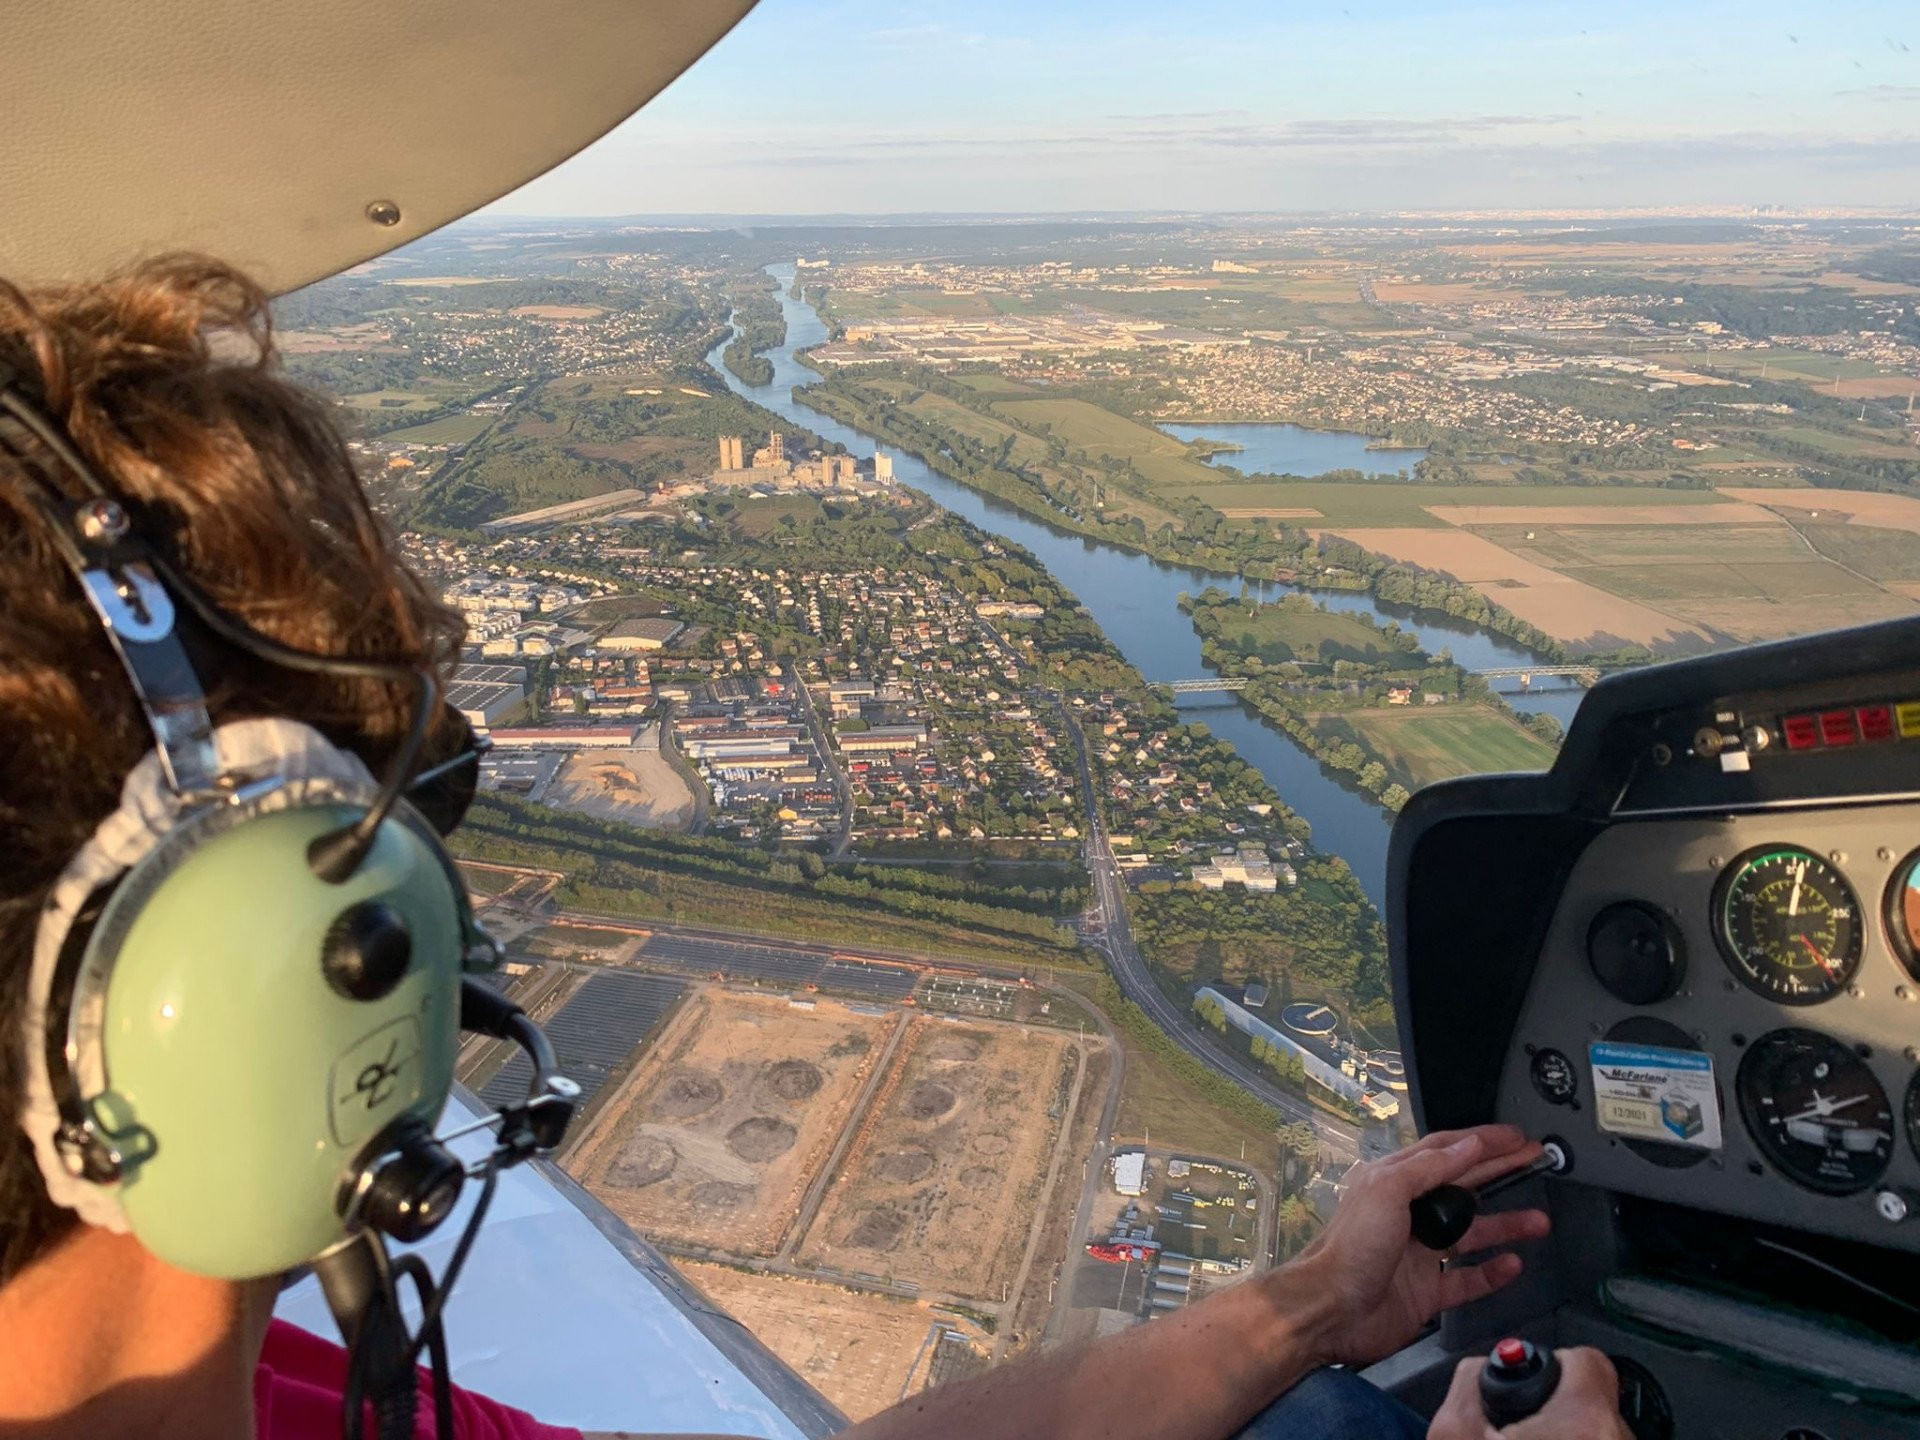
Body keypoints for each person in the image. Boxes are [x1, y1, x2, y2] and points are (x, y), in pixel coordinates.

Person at [0, 258, 1629, 1440]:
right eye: (401, 842)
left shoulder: (295, 1399)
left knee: (1314, 1396)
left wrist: (1311, 1309)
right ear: (290, 1001)